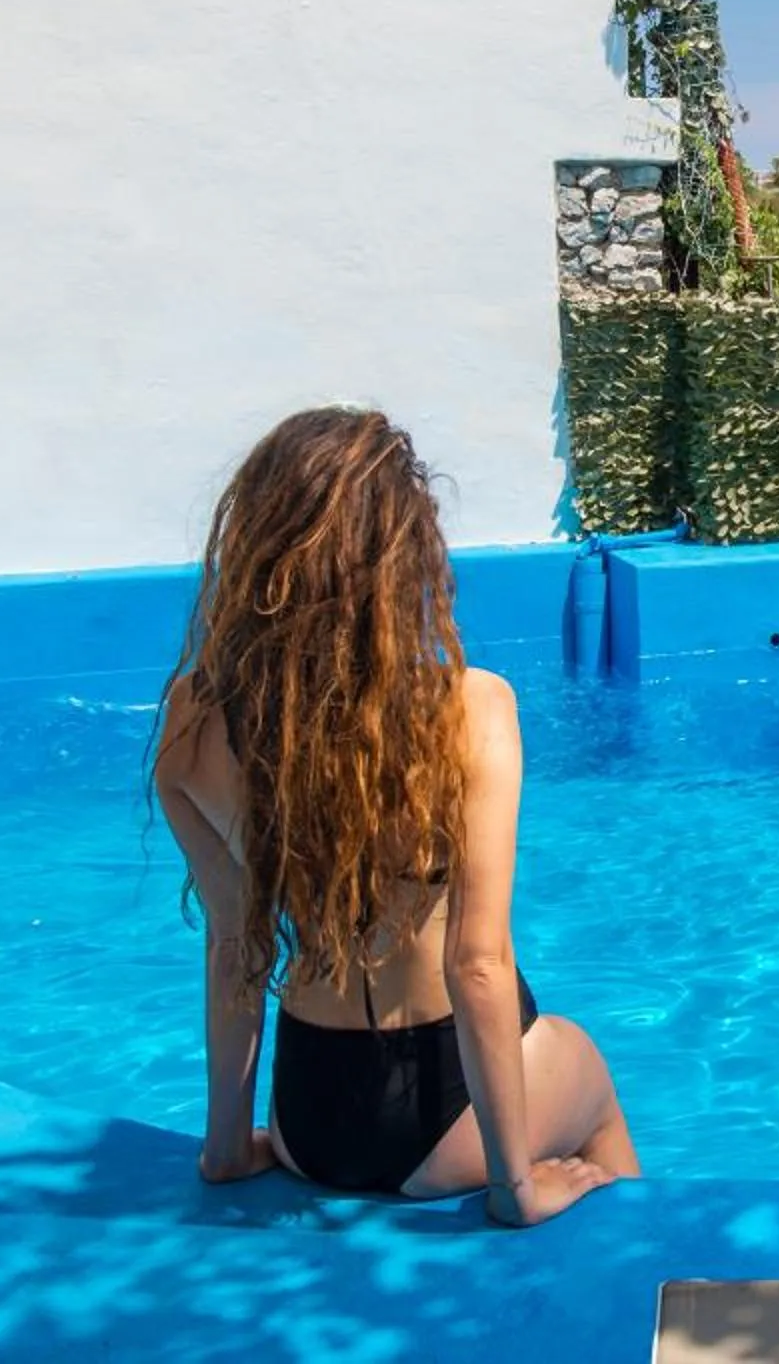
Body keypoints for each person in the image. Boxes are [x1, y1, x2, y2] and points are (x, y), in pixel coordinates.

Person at [153, 407, 639, 1225]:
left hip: (312, 1120)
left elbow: (236, 943)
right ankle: (640, 1278)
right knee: (584, 1068)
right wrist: (513, 1187)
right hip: (446, 1123)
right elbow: (477, 964)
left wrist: (228, 1148)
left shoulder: (194, 717)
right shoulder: (469, 710)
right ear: (402, 558)